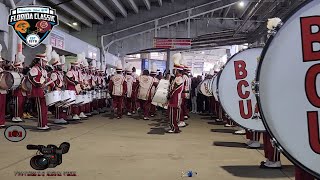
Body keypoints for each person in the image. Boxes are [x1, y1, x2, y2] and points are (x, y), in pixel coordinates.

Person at [28, 45, 54, 130]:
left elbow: (46, 79)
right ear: (40, 61)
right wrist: (39, 84)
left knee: (44, 109)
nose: (46, 63)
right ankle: (41, 125)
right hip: (38, 91)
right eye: (45, 62)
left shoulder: (43, 70)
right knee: (40, 108)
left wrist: (51, 83)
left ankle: (44, 123)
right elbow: (30, 78)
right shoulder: (35, 69)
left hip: (43, 91)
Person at [49, 51, 68, 124]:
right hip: (56, 90)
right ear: (56, 66)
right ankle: (57, 118)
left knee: (62, 105)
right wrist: (55, 87)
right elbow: (53, 82)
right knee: (58, 105)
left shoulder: (60, 73)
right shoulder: (54, 73)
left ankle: (61, 117)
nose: (61, 66)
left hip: (61, 89)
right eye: (59, 65)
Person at [167, 53, 184, 133]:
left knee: (172, 115)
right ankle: (174, 127)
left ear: (177, 70)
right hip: (174, 99)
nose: (174, 71)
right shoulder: (177, 78)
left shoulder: (178, 79)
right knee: (172, 114)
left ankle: (174, 128)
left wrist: (169, 95)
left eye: (174, 69)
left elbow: (174, 89)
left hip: (174, 99)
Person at [11, 52, 26, 122]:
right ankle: (15, 116)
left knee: (21, 104)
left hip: (22, 91)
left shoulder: (22, 74)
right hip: (17, 91)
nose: (21, 69)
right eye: (20, 68)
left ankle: (19, 116)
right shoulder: (14, 74)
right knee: (17, 104)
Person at [65, 55, 81, 120]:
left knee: (75, 102)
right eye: (76, 66)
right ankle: (69, 115)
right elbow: (68, 79)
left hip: (75, 88)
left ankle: (75, 114)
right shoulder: (70, 72)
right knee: (70, 102)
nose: (77, 68)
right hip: (71, 88)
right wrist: (75, 83)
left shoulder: (75, 72)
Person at [0, 44, 7, 128]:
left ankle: (1, 122)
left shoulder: (2, 69)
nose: (1, 63)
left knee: (2, 107)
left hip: (3, 90)